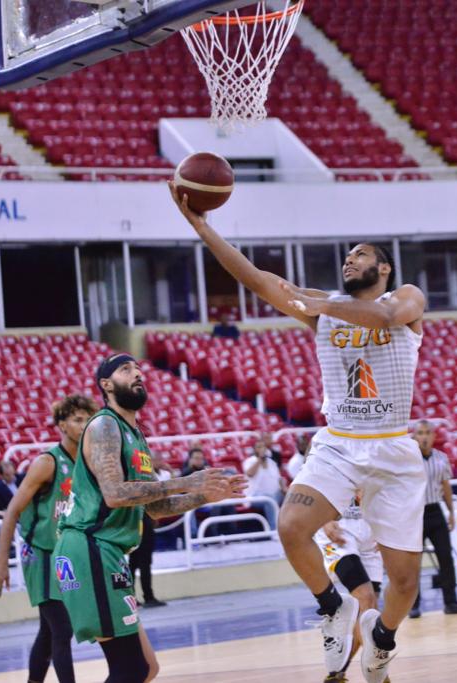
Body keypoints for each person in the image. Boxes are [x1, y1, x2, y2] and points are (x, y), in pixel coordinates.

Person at [172, 182, 427, 683]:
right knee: (290, 526)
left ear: (385, 269)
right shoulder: (325, 311)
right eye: (347, 256)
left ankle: (382, 642)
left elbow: (384, 315)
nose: (350, 260)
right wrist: (203, 227)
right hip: (339, 440)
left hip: (393, 447)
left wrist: (312, 302)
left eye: (361, 255)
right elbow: (260, 281)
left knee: (405, 581)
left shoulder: (407, 298)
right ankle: (333, 607)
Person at [53, 353, 247, 683]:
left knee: (147, 668)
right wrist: (187, 481)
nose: (137, 374)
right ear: (106, 384)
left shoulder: (135, 436)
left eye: (139, 369)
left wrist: (204, 496)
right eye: (126, 370)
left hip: (108, 553)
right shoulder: (104, 426)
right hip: (90, 549)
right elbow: (114, 493)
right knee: (130, 669)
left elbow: (153, 507)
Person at [0, 394, 99, 683]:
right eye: (77, 419)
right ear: (61, 425)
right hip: (41, 554)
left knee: (49, 630)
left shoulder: (89, 463)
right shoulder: (46, 463)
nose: (84, 424)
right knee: (62, 630)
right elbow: (11, 511)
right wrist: (1, 562)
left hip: (66, 555)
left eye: (88, 419)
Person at [314, 495, 387, 683]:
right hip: (339, 525)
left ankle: (336, 674)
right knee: (365, 596)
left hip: (370, 529)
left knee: (369, 611)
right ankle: (379, 674)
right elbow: (309, 481)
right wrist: (322, 518)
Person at [408, 419, 457, 618]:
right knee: (413, 562)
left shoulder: (441, 458)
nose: (424, 437)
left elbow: (445, 487)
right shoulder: (408, 459)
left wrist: (451, 512)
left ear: (434, 436)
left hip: (435, 511)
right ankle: (413, 605)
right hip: (414, 514)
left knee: (445, 557)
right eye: (421, 433)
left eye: (428, 433)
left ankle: (451, 602)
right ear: (414, 436)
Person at [243, 438, 287, 530]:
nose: (262, 449)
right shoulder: (249, 461)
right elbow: (250, 474)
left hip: (275, 493)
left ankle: (294, 528)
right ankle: (274, 531)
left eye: (263, 447)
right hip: (255, 496)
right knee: (269, 500)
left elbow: (279, 479)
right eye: (259, 447)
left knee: (294, 496)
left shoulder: (272, 462)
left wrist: (285, 489)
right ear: (255, 449)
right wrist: (260, 459)